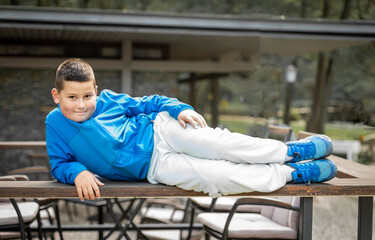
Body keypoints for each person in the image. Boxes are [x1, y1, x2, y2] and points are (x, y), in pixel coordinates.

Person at [46, 58, 337, 201]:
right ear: (57, 96)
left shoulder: (108, 99)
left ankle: (289, 152)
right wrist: (78, 173)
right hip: (155, 167)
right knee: (217, 178)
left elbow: (151, 102)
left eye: (88, 96)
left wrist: (179, 109)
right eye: (72, 98)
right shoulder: (55, 125)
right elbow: (60, 165)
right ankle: (292, 173)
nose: (82, 104)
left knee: (223, 146)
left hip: (163, 130)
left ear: (95, 90)